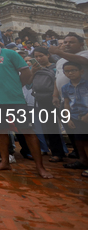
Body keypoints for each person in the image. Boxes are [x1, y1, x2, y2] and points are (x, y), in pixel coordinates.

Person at [0, 32, 52, 178]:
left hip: (16, 101)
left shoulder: (10, 54)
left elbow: (26, 74)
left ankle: (40, 167)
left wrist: (16, 86)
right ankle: (5, 162)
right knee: (1, 131)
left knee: (27, 131)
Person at [50, 32, 88, 168]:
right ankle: (82, 159)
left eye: (71, 42)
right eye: (65, 42)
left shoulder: (84, 54)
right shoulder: (60, 60)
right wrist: (55, 95)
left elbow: (83, 62)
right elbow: (57, 77)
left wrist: (59, 52)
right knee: (74, 133)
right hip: (65, 100)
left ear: (81, 44)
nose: (67, 44)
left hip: (83, 102)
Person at [30, 47, 65, 162]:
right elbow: (28, 85)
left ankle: (77, 151)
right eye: (36, 57)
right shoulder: (34, 69)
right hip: (41, 100)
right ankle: (57, 152)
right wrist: (33, 72)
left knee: (69, 125)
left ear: (48, 55)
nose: (39, 58)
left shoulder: (55, 68)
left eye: (41, 56)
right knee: (49, 127)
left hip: (57, 99)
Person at [61, 62, 88, 177]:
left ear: (81, 71)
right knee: (79, 141)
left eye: (73, 70)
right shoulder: (65, 88)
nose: (70, 73)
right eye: (67, 71)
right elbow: (67, 103)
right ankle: (83, 161)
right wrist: (68, 118)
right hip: (75, 117)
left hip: (86, 116)